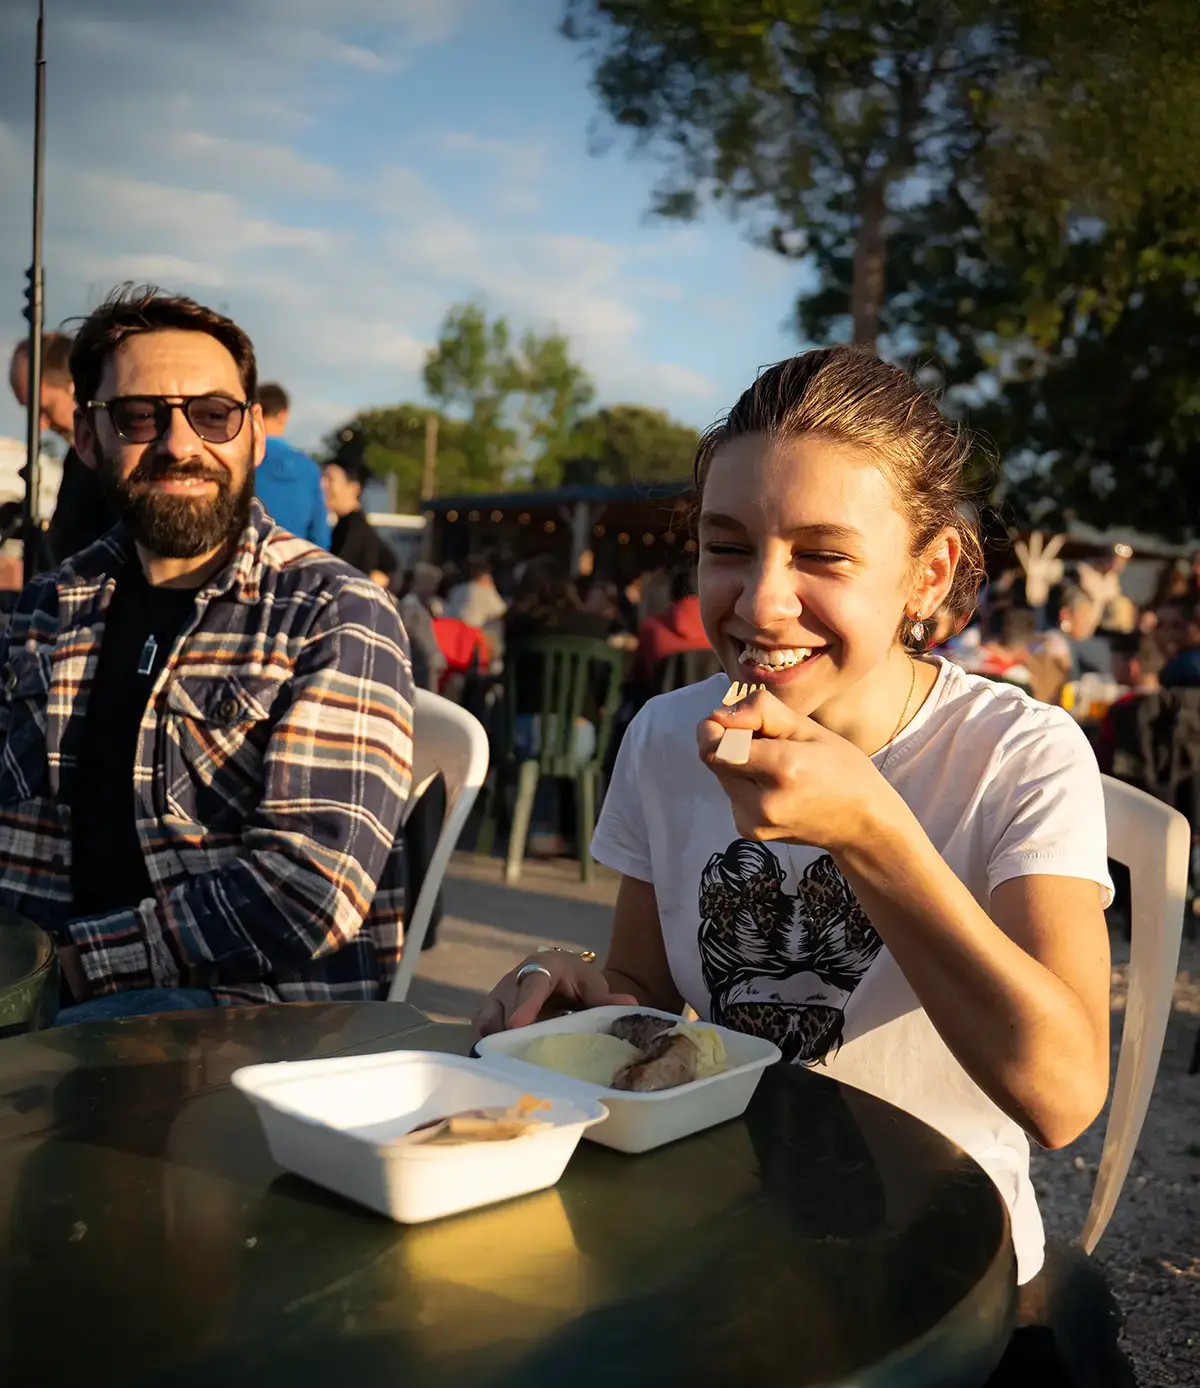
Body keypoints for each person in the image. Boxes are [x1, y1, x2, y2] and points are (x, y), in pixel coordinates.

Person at [476, 348, 1125, 1384]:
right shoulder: (662, 734)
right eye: (726, 547)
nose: (761, 603)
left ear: (932, 571)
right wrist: (582, 1003)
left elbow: (1060, 1094)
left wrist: (871, 829)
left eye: (824, 555)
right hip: (709, 1235)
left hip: (944, 1273)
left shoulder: (1018, 751)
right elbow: (644, 987)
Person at [0, 285, 413, 1021]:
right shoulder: (46, 610)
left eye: (213, 414)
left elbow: (305, 894)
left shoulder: (332, 613)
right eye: (139, 416)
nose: (181, 444)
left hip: (244, 1019)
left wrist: (64, 969)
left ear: (253, 434)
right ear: (88, 440)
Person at [9, 332, 115, 565]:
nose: (40, 425)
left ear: (73, 386)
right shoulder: (76, 459)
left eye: (44, 408)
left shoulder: (108, 460)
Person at [254, 382, 331, 548]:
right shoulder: (309, 469)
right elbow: (320, 536)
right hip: (295, 566)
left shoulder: (245, 462)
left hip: (247, 563)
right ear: (284, 415)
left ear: (254, 412)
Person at [631, 565, 711, 686]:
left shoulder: (651, 628)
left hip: (656, 699)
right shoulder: (726, 636)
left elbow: (637, 674)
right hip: (715, 702)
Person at [321, 457, 396, 587]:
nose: (323, 485)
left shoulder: (354, 529)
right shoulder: (348, 525)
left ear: (354, 488)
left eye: (330, 479)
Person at [446, 557, 508, 630]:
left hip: (455, 630)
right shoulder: (486, 592)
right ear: (483, 576)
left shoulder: (456, 589)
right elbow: (501, 611)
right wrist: (493, 589)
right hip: (476, 633)